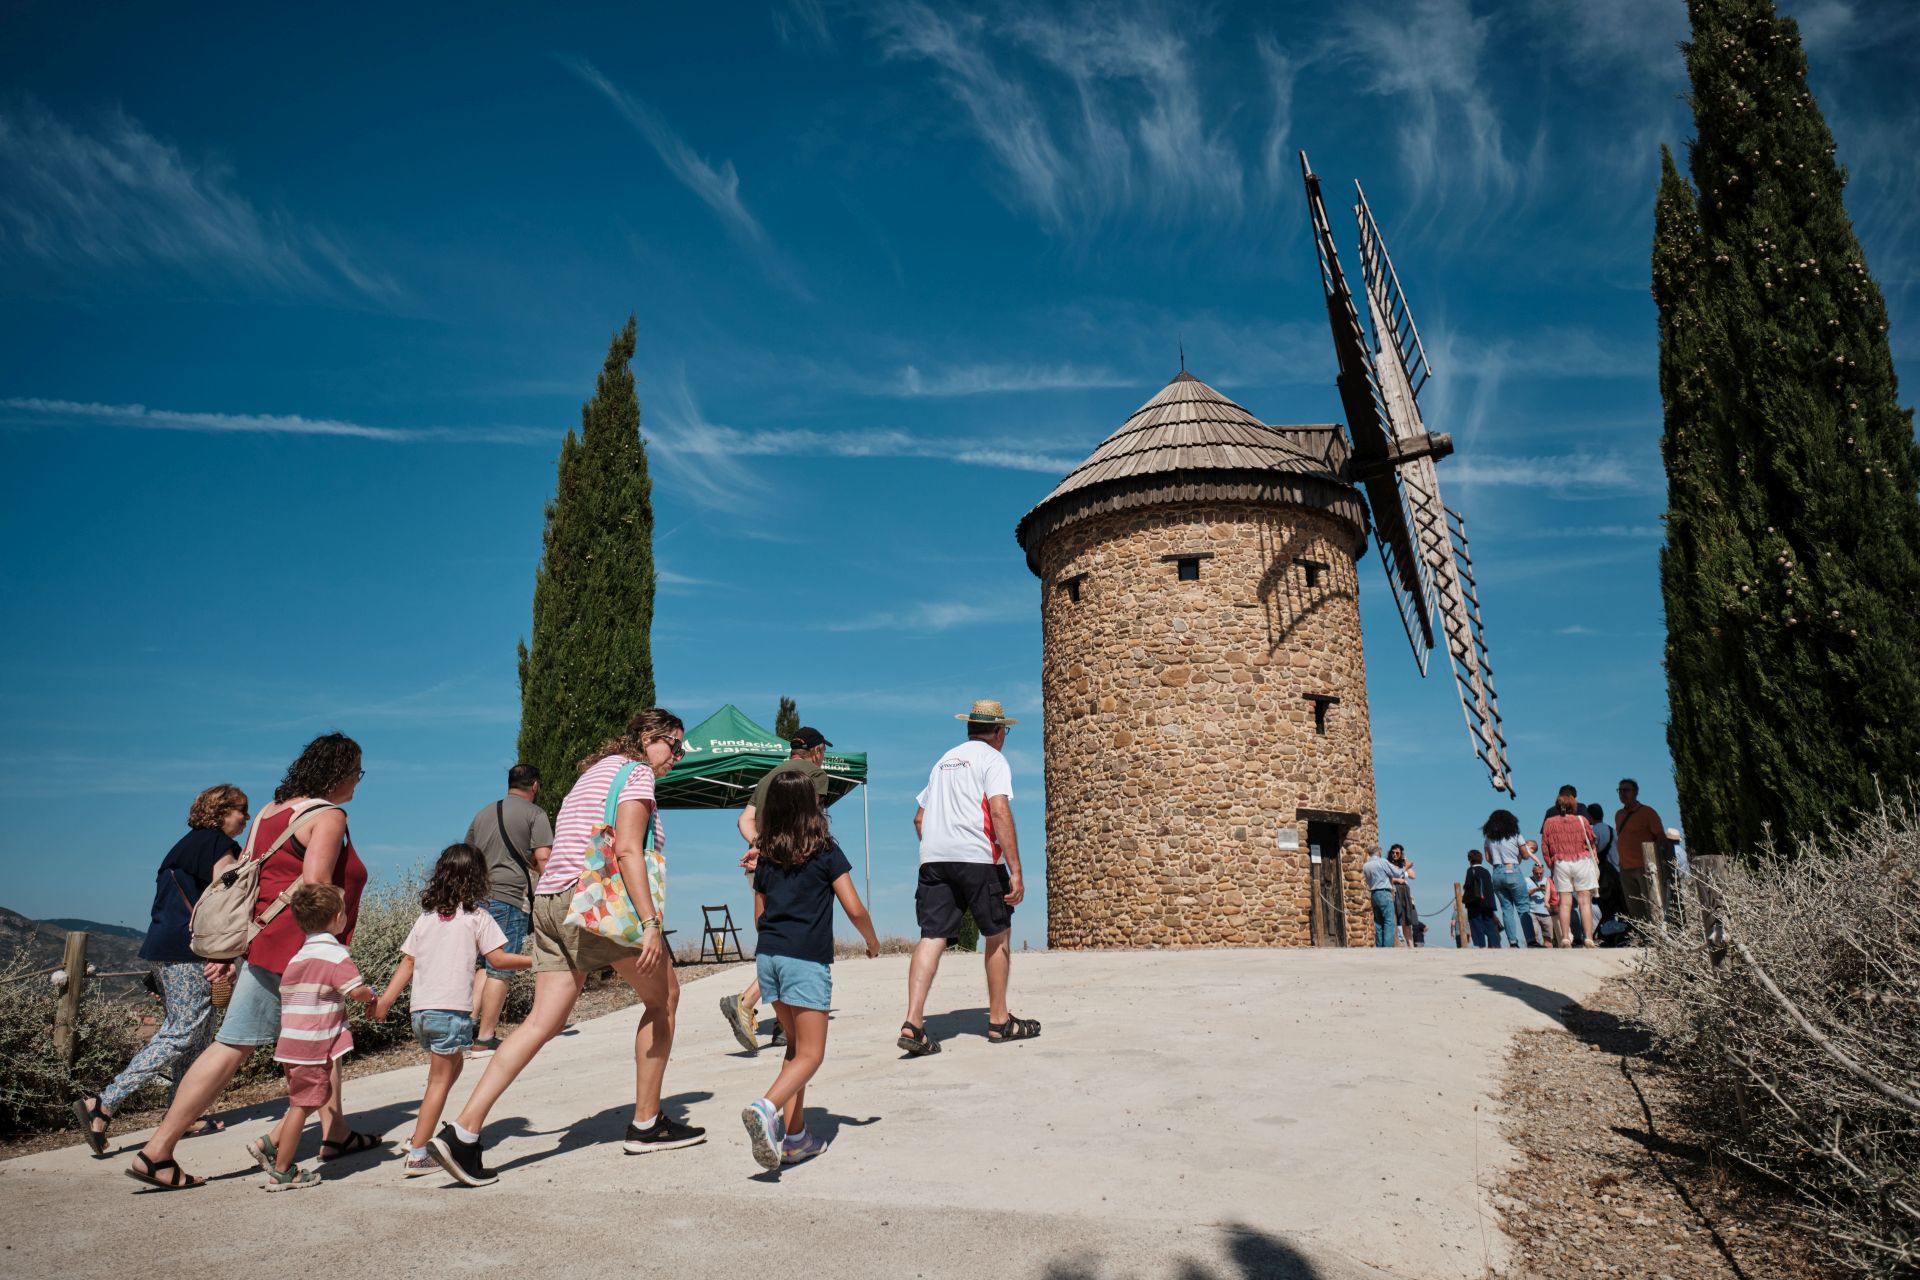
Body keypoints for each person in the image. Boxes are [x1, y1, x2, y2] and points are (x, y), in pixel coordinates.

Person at [433, 708, 701, 1187]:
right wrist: (651, 923)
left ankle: (463, 1132)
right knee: (665, 999)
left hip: (552, 900)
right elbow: (626, 850)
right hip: (595, 905)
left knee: (541, 1021)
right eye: (673, 745)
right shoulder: (637, 773)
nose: (676, 758)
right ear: (646, 737)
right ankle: (646, 1123)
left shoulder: (595, 772)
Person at [126, 733, 371, 1191]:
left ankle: (335, 1133)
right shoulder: (329, 816)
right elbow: (315, 889)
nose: (359, 779)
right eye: (357, 770)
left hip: (265, 944)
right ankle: (158, 1150)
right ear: (339, 772)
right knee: (251, 1043)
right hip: (300, 949)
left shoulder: (270, 813)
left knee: (315, 1041)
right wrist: (329, 954)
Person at [74, 784, 248, 1154]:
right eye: (241, 810)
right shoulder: (219, 846)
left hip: (165, 947)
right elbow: (227, 899)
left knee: (198, 1037)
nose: (246, 818)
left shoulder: (181, 846)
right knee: (183, 1033)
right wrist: (227, 951)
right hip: (191, 950)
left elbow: (167, 904)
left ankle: (181, 1115)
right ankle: (103, 1103)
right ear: (221, 811)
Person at [738, 772, 880, 1170]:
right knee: (813, 1054)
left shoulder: (765, 856)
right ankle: (766, 1108)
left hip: (769, 958)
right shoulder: (825, 851)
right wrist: (871, 940)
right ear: (812, 807)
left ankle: (797, 1138)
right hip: (805, 960)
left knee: (796, 1047)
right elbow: (854, 906)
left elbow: (759, 915)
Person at [374, 844, 533, 1176]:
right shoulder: (477, 917)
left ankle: (420, 1133)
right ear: (479, 879)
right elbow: (499, 960)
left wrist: (386, 1000)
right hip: (450, 1013)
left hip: (421, 1014)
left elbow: (408, 961)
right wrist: (538, 961)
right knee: (438, 1083)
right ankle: (418, 1152)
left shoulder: (427, 918)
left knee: (449, 1071)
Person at [897, 699, 1036, 1056]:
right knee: (998, 932)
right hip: (977, 857)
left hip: (933, 858)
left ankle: (913, 1023)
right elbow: (999, 810)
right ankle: (999, 1020)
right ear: (1000, 732)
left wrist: (937, 848)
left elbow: (918, 818)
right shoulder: (993, 760)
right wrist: (1016, 870)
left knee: (932, 935)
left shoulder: (943, 761)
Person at [257, 883, 378, 1191]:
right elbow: (356, 991)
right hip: (313, 1045)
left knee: (305, 1100)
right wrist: (372, 995)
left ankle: (273, 1148)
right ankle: (282, 1170)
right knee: (301, 1106)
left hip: (291, 1044)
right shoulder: (335, 956)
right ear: (339, 918)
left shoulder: (297, 958)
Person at [721, 728, 833, 1055]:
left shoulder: (769, 777)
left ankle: (782, 1028)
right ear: (816, 751)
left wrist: (762, 846)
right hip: (797, 866)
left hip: (763, 866)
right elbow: (815, 822)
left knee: (774, 936)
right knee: (797, 939)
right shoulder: (815, 775)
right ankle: (745, 1001)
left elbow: (745, 819)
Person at [462, 763, 553, 1056]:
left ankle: (467, 1029)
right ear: (535, 786)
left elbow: (468, 855)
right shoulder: (535, 814)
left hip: (479, 897)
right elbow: (543, 858)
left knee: (482, 965)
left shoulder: (482, 814)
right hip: (511, 897)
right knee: (500, 967)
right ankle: (485, 1037)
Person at [1541, 792, 1600, 948]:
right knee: (1584, 902)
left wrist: (1551, 865)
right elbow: (1592, 839)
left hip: (1560, 862)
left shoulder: (1549, 822)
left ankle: (1566, 938)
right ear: (1574, 805)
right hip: (1581, 861)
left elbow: (1545, 847)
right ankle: (1588, 938)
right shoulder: (1582, 820)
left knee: (1565, 902)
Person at [1613, 779, 1668, 929]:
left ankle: (1657, 936)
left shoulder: (1647, 813)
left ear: (1636, 792)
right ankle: (1643, 936)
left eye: (1626, 790)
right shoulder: (1619, 815)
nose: (1622, 793)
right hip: (1625, 868)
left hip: (1645, 866)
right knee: (1634, 906)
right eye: (1620, 790)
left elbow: (1660, 837)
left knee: (1652, 904)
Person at [1479, 809, 1536, 948]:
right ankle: (1531, 940)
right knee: (1523, 907)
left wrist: (1499, 865)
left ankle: (1512, 942)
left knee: (1506, 909)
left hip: (1497, 873)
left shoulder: (1488, 837)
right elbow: (1526, 855)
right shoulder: (1516, 835)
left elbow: (1487, 858)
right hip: (1513, 870)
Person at [1587, 802, 1623, 923]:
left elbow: (1592, 853)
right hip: (1617, 871)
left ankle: (1609, 933)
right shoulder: (1611, 829)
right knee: (1618, 905)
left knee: (1606, 907)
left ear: (1589, 816)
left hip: (1604, 874)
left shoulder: (1594, 831)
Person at [1362, 845, 1402, 948]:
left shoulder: (1366, 865)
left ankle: (1380, 947)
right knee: (1389, 921)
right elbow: (1396, 873)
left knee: (1378, 923)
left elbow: (1367, 881)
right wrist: (1405, 869)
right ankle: (1387, 947)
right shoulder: (1382, 862)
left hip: (1374, 894)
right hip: (1384, 892)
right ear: (1378, 851)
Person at [1462, 850, 1501, 948]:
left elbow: (1468, 885)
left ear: (1469, 859)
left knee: (1476, 924)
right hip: (1488, 903)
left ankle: (1480, 945)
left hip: (1475, 902)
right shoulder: (1486, 871)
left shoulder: (1471, 870)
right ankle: (1494, 944)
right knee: (1489, 924)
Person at [1387, 844, 1418, 947]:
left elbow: (1413, 876)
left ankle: (1410, 944)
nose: (1394, 855)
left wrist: (1406, 863)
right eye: (1393, 852)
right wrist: (1397, 880)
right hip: (1395, 892)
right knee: (1396, 919)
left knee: (1407, 920)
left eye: (1397, 853)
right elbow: (1386, 878)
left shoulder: (1402, 866)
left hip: (1405, 893)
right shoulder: (1387, 864)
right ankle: (1398, 944)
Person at [1524, 863, 1550, 947]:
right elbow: (1524, 894)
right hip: (1532, 912)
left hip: (1546, 913)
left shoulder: (1547, 880)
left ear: (1543, 872)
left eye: (1541, 873)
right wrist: (1536, 889)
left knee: (1548, 938)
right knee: (1534, 937)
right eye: (1536, 873)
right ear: (1532, 872)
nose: (1539, 875)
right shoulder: (1527, 880)